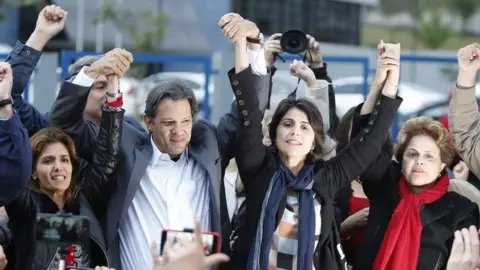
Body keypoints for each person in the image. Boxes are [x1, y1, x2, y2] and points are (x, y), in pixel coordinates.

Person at [49, 13, 271, 270]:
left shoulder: (209, 145)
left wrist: (253, 43)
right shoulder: (126, 147)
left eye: (185, 122)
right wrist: (93, 72)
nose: (178, 132)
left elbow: (250, 114)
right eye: (168, 123)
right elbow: (63, 121)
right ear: (149, 122)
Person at [227, 30, 401, 269]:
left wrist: (387, 82)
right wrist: (243, 47)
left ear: (314, 142)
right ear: (274, 133)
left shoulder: (325, 178)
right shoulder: (257, 168)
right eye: (287, 124)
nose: (295, 132)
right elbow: (247, 105)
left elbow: (369, 143)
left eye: (305, 127)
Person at [350, 42, 479, 270]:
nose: (419, 160)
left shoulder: (461, 209)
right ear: (401, 160)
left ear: (442, 165)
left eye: (429, 156)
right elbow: (366, 142)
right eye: (412, 153)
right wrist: (383, 84)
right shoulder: (384, 185)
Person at [5, 71, 124, 270]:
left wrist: (113, 90)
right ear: (33, 172)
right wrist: (4, 104)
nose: (58, 167)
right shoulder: (25, 206)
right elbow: (13, 160)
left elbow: (107, 157)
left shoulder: (85, 202)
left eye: (64, 160)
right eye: (48, 161)